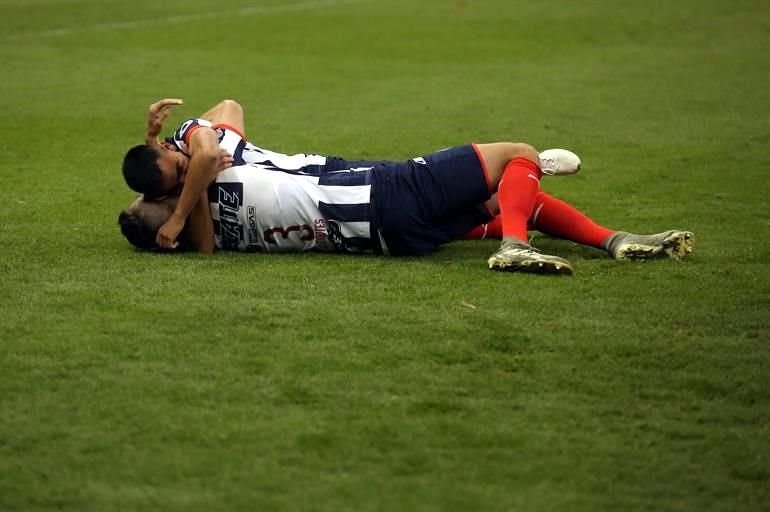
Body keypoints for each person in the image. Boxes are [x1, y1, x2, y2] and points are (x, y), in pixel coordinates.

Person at [119, 99, 694, 274]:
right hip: (382, 192)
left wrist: (170, 203)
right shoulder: (205, 156)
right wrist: (173, 159)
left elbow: (198, 179)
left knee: (516, 199)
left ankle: (613, 240)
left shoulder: (206, 222)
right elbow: (219, 120)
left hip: (385, 236)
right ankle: (514, 241)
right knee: (515, 154)